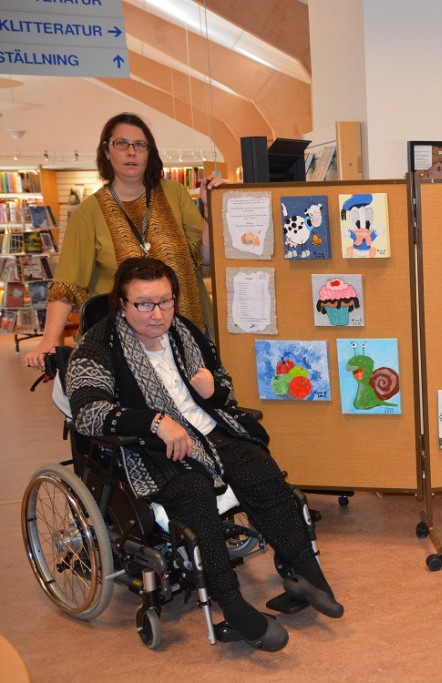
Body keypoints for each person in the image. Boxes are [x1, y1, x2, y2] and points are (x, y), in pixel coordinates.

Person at [64, 258, 343, 651]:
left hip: (211, 432)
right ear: (122, 305)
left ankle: (309, 576)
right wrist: (155, 422)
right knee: (194, 492)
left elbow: (225, 386)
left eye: (166, 301)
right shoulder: (97, 347)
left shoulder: (186, 333)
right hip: (153, 450)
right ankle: (232, 606)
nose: (157, 313)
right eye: (144, 304)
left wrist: (214, 390)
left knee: (258, 466)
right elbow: (88, 413)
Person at [24, 112, 221, 371]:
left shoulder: (174, 193)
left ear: (149, 152)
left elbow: (204, 258)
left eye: (140, 145)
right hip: (125, 347)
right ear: (107, 151)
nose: (131, 152)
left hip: (189, 333)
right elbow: (67, 283)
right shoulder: (88, 212)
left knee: (200, 405)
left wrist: (210, 207)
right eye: (121, 144)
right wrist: (48, 340)